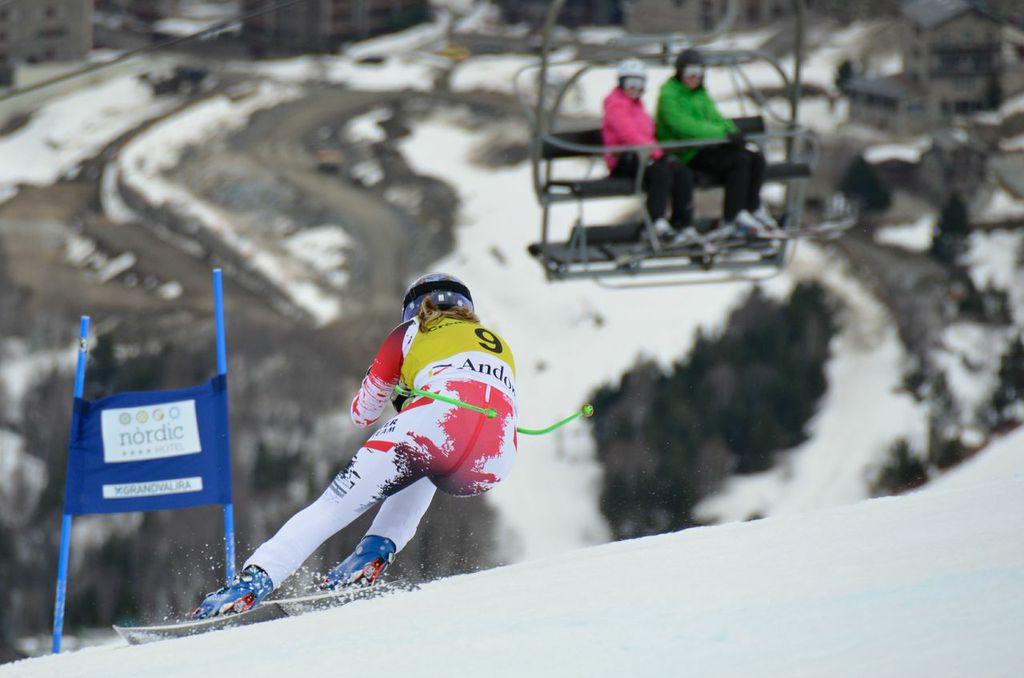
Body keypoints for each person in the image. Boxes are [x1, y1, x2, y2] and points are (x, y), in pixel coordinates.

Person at [192, 273, 518, 619]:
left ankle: (249, 585)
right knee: (426, 466)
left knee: (334, 506)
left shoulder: (409, 333)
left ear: (413, 308)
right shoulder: (498, 342)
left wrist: (393, 385)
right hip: (495, 457)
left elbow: (364, 411)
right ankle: (369, 558)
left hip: (434, 424)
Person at [655, 48, 778, 239]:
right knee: (738, 162)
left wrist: (733, 133)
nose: (694, 78)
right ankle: (733, 216)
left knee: (754, 157)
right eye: (689, 74)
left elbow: (716, 118)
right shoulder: (670, 95)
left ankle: (752, 207)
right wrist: (722, 135)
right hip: (685, 152)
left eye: (699, 74)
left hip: (705, 147)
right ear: (680, 73)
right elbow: (684, 127)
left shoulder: (700, 94)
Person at [602, 58, 698, 244]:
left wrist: (662, 150)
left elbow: (648, 133)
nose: (634, 89)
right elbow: (628, 134)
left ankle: (683, 222)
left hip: (645, 156)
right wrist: (657, 153)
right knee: (660, 171)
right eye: (630, 83)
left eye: (639, 84)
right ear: (621, 83)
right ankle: (654, 222)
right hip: (624, 160)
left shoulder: (637, 106)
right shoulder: (615, 105)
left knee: (681, 171)